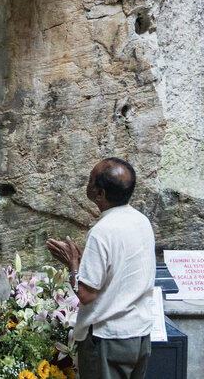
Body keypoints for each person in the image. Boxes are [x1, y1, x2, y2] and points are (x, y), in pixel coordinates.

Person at [47, 158, 156, 379]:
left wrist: (73, 264)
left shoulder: (102, 231)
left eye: (90, 180)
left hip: (108, 340)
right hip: (140, 337)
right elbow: (118, 269)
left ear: (100, 195)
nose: (86, 182)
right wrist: (84, 261)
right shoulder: (141, 221)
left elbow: (87, 294)